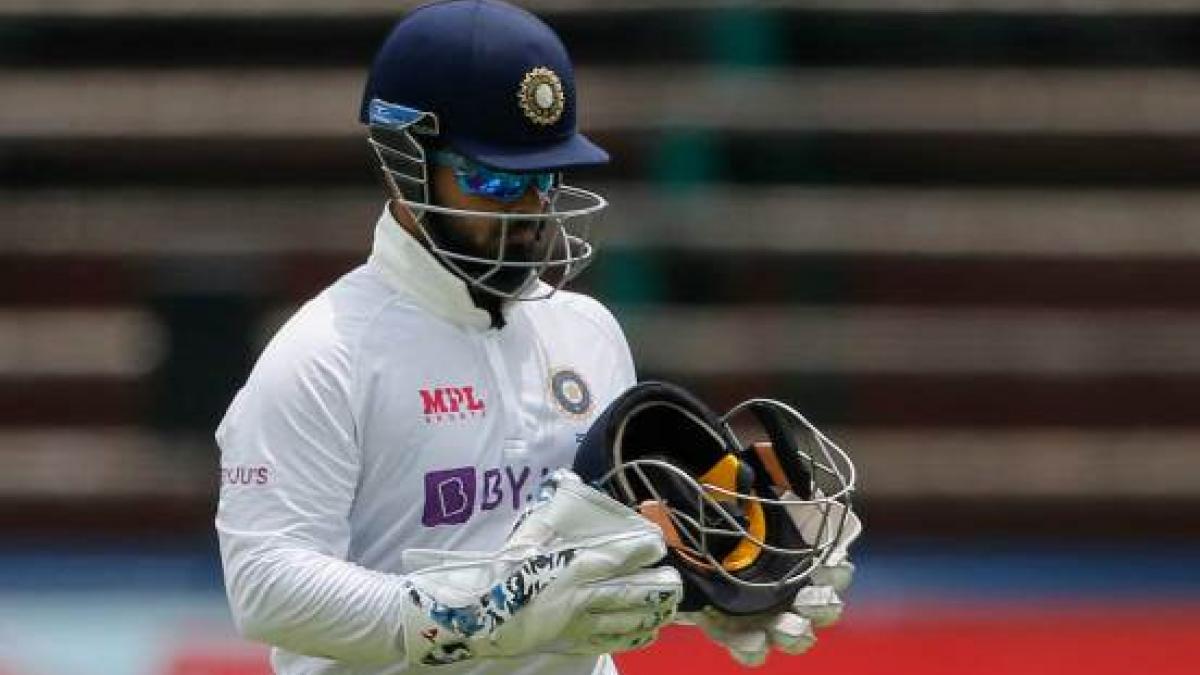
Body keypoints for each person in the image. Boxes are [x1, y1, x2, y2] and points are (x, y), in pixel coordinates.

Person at [215, 2, 853, 673]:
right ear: (404, 160)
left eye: (543, 179)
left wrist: (710, 588)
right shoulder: (324, 355)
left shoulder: (588, 332)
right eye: (491, 179)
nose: (527, 210)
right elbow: (266, 585)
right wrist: (472, 616)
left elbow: (598, 563)